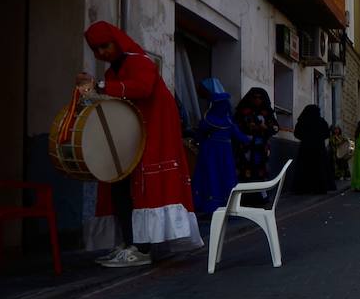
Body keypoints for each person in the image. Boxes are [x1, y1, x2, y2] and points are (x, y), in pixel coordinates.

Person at [76, 22, 201, 267]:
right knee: (120, 188)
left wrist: (99, 86)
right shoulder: (113, 72)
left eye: (105, 46)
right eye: (96, 49)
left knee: (140, 188)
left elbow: (142, 89)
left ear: (117, 41)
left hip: (153, 132)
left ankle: (141, 248)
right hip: (132, 136)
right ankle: (128, 243)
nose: (102, 53)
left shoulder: (139, 62)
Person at [190, 77, 248, 215]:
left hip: (210, 152)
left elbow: (201, 132)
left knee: (211, 176)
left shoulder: (209, 118)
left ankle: (210, 206)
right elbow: (242, 138)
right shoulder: (228, 120)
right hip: (226, 153)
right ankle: (227, 206)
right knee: (224, 176)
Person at [234, 87, 280, 184]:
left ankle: (261, 196)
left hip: (261, 147)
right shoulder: (243, 111)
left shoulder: (267, 112)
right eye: (254, 97)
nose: (257, 100)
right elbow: (234, 126)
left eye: (260, 98)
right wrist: (247, 127)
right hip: (245, 147)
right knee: (245, 170)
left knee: (261, 171)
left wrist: (265, 128)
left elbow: (275, 128)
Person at [292, 105, 334, 194]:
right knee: (319, 169)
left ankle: (304, 189)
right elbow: (327, 134)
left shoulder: (302, 121)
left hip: (305, 149)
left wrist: (306, 138)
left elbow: (296, 134)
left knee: (305, 169)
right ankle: (319, 188)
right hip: (319, 149)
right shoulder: (321, 121)